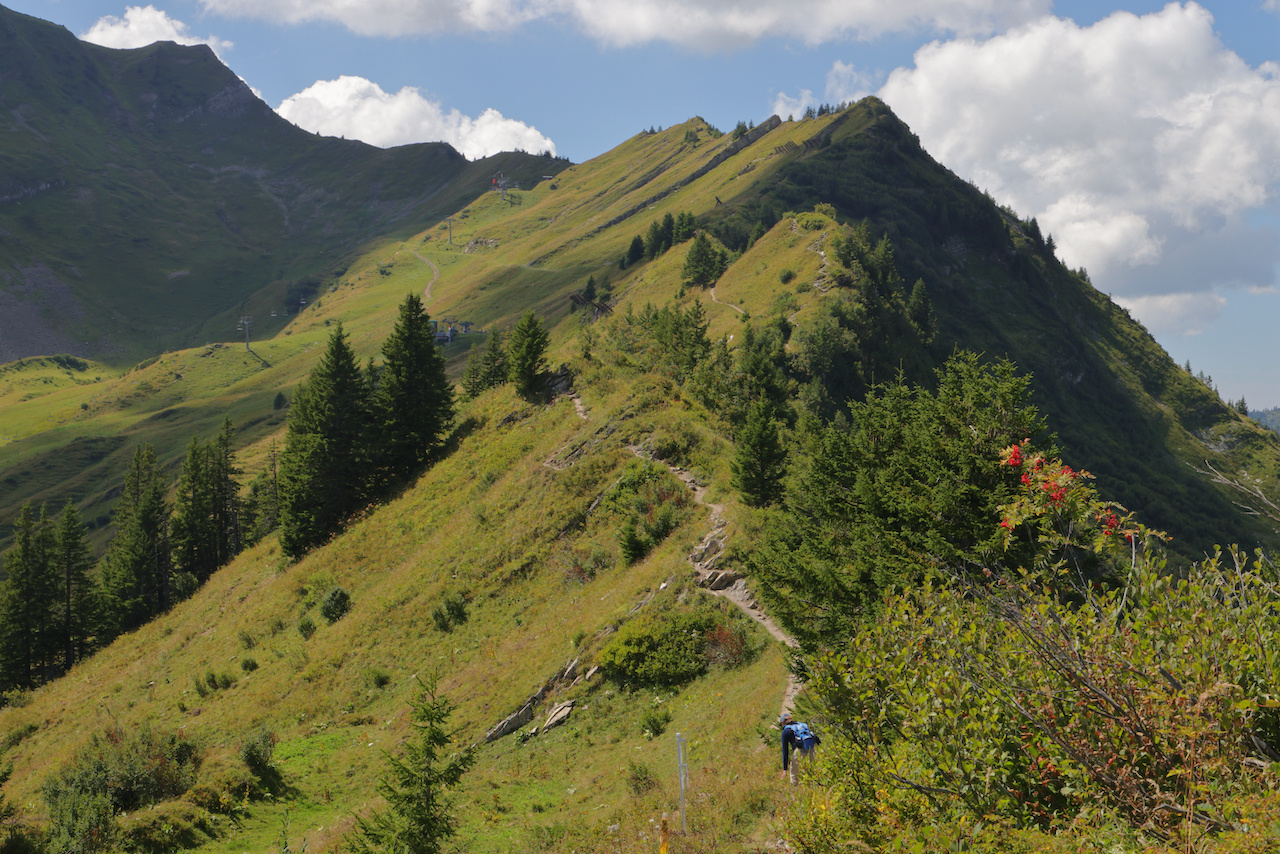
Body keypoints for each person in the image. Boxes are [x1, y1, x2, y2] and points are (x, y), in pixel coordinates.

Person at [780, 711, 819, 784]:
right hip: (811, 749)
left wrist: (784, 769)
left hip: (799, 751)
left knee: (794, 774)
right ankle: (813, 786)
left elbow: (785, 751)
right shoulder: (801, 725)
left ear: (782, 722)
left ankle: (795, 790)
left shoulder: (786, 731)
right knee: (812, 771)